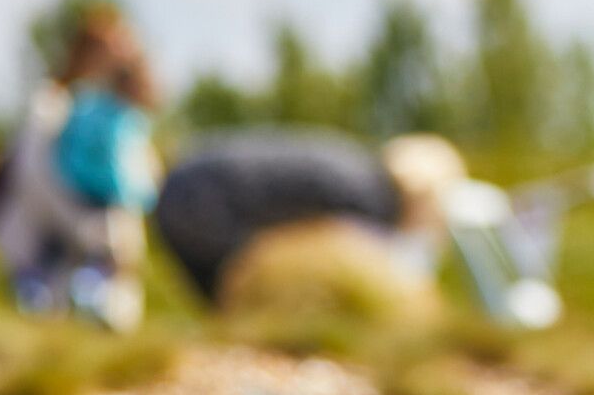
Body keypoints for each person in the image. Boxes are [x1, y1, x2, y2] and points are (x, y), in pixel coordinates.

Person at [0, 7, 158, 331]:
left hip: (96, 247)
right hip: (46, 247)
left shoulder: (117, 113)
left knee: (104, 328)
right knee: (52, 329)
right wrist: (84, 227)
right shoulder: (52, 104)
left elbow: (138, 175)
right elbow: (33, 178)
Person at [151, 129, 466, 307]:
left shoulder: (357, 166)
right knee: (242, 308)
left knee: (227, 306)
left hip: (182, 188)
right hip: (205, 203)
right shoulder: (371, 200)